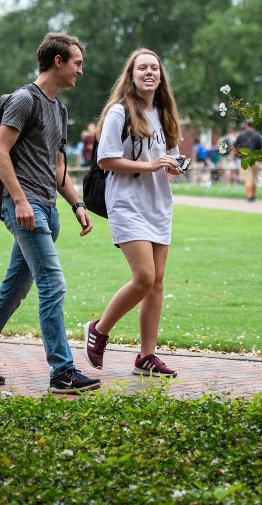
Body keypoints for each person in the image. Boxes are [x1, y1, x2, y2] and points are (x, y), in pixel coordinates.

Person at [0, 33, 99, 394]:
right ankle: (62, 371)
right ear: (57, 61)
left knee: (15, 288)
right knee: (53, 285)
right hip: (26, 207)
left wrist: (77, 204)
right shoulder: (25, 100)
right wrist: (20, 200)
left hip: (48, 210)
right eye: (77, 63)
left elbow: (57, 169)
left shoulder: (59, 108)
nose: (80, 71)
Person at [83, 49, 185, 377]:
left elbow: (169, 155)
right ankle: (99, 328)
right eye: (142, 67)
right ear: (132, 74)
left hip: (158, 203)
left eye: (154, 67)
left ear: (160, 76)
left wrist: (175, 165)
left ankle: (146, 357)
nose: (149, 72)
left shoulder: (165, 112)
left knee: (156, 282)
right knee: (143, 277)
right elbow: (106, 159)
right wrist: (151, 164)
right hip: (126, 202)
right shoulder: (119, 111)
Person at [234, 119, 262, 201]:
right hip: (256, 160)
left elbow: (234, 148)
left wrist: (235, 156)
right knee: (254, 179)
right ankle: (253, 195)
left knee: (248, 179)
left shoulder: (241, 135)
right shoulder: (257, 135)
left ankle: (249, 197)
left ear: (246, 125)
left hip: (245, 160)